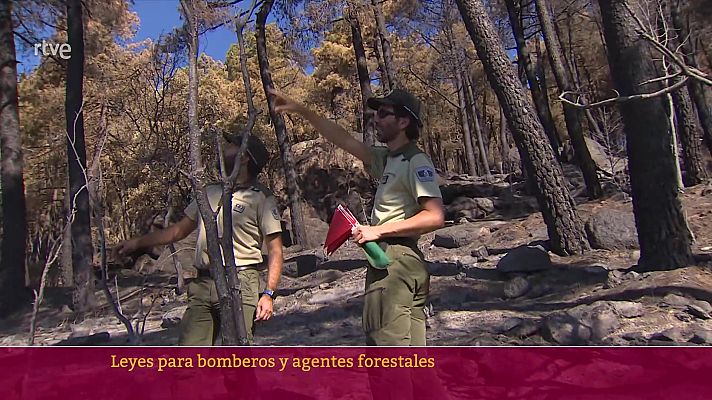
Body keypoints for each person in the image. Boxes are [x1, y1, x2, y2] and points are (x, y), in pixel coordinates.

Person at [270, 88, 445, 346]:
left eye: (384, 113)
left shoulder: (415, 161)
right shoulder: (387, 159)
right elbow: (342, 139)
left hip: (395, 263)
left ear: (404, 122)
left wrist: (378, 231)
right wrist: (302, 110)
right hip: (396, 261)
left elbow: (435, 216)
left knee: (386, 361)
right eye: (375, 113)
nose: (375, 119)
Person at [115, 134, 283, 345]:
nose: (225, 147)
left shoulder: (261, 198)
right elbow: (178, 231)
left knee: (235, 358)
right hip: (202, 283)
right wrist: (138, 243)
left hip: (240, 282)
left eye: (231, 144)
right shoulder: (210, 191)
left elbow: (276, 250)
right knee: (189, 359)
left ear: (245, 156)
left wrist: (268, 294)